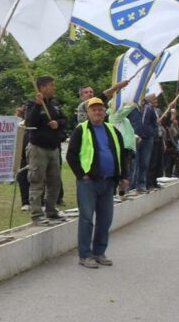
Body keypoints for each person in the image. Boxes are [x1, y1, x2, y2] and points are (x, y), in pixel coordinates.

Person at [66, 97, 128, 269]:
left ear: (104, 112)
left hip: (108, 181)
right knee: (86, 219)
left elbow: (121, 154)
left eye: (100, 109)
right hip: (88, 182)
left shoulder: (112, 130)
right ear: (88, 113)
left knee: (105, 219)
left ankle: (99, 252)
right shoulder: (81, 130)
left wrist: (123, 176)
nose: (97, 112)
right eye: (94, 109)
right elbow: (71, 155)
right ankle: (85, 255)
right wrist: (81, 175)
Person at [24, 76, 68, 225]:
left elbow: (65, 120)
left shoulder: (55, 104)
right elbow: (29, 122)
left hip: (53, 148)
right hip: (38, 148)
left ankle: (51, 210)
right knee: (36, 181)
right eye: (51, 85)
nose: (54, 88)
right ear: (42, 87)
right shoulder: (32, 103)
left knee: (55, 181)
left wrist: (58, 123)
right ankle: (36, 214)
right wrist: (37, 106)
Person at [128, 93, 159, 194]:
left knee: (144, 163)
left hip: (147, 139)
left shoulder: (149, 108)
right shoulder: (131, 107)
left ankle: (141, 185)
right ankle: (131, 186)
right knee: (134, 164)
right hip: (134, 139)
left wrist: (152, 133)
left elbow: (155, 123)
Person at [109, 102, 139, 200]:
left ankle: (122, 193)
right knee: (120, 171)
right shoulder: (114, 116)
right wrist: (133, 104)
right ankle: (114, 194)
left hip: (129, 147)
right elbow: (123, 113)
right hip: (122, 147)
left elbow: (127, 131)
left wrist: (135, 137)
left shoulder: (125, 119)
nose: (123, 108)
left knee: (127, 171)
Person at [14, 104, 31, 211]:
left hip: (31, 154)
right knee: (22, 179)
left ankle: (39, 201)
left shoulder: (29, 124)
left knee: (35, 179)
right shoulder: (18, 124)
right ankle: (25, 202)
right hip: (21, 156)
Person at [161, 111, 179, 178]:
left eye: (175, 115)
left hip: (173, 144)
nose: (175, 116)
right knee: (169, 160)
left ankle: (175, 173)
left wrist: (176, 126)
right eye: (173, 114)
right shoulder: (165, 122)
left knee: (174, 158)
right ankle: (170, 175)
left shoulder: (173, 124)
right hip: (166, 144)